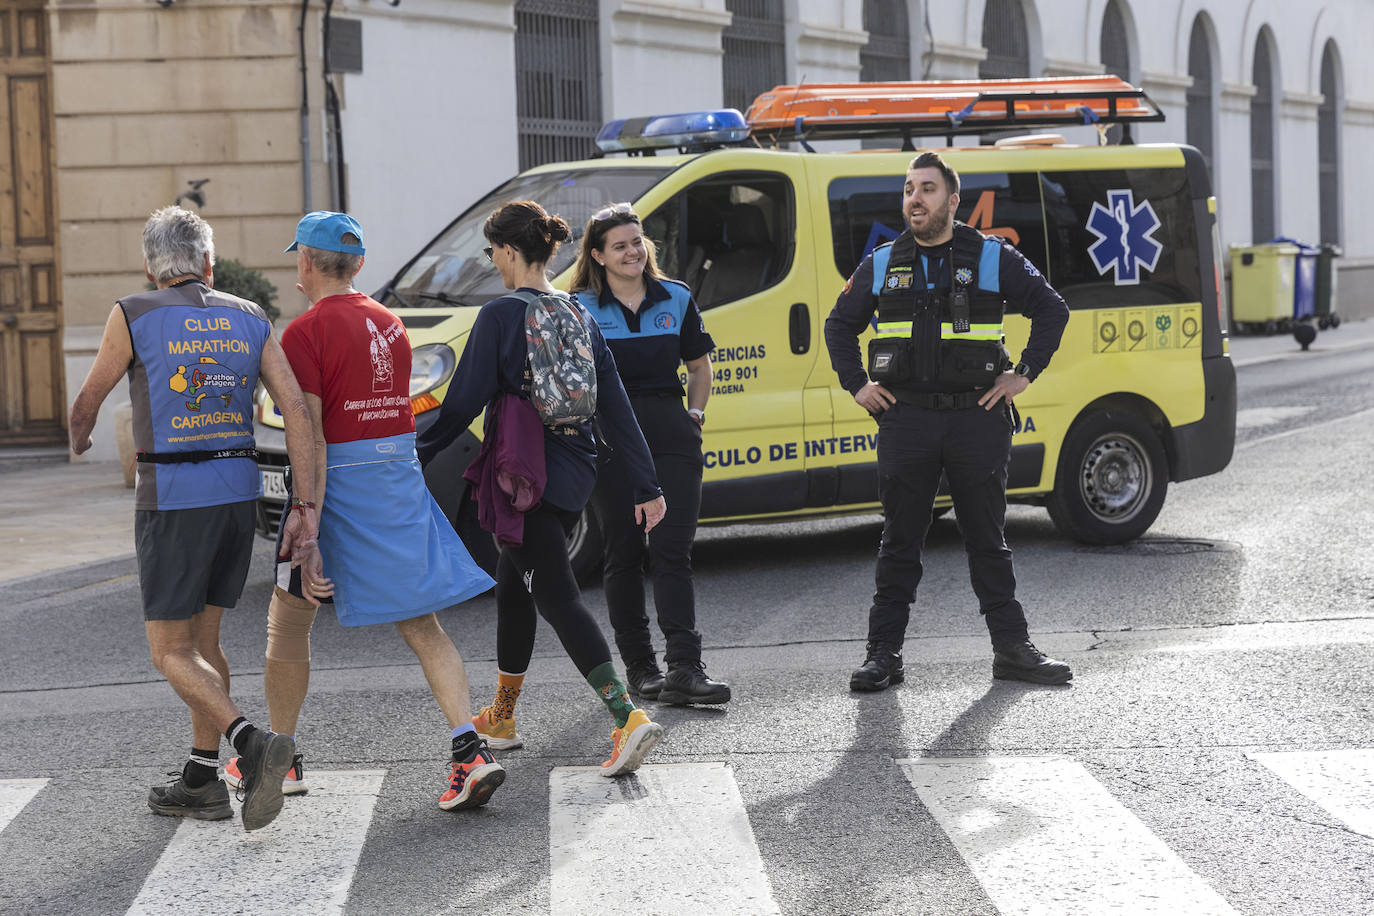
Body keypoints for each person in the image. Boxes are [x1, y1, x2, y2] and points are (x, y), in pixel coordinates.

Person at [219, 211, 504, 810]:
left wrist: (308, 518)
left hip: (337, 484)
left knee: (289, 620)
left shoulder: (303, 332)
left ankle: (285, 759)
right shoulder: (391, 324)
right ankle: (469, 751)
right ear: (358, 264)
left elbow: (312, 431)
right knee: (422, 624)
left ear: (305, 262)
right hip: (395, 475)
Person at [68, 206, 316, 831]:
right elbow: (292, 405)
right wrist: (306, 502)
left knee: (168, 651)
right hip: (236, 490)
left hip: (173, 496)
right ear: (208, 262)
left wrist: (78, 438)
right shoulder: (249, 315)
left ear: (152, 268)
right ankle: (201, 778)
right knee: (204, 643)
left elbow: (89, 400)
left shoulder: (134, 313)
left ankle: (250, 742)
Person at [417, 200, 668, 776]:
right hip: (573, 468)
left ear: (507, 251)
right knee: (514, 586)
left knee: (555, 595)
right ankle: (502, 716)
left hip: (520, 473)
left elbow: (462, 404)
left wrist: (416, 451)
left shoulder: (501, 315)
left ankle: (627, 716)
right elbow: (617, 406)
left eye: (491, 252)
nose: (493, 262)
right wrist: (646, 483)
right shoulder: (577, 311)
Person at [823, 151, 1074, 691]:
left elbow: (1053, 309)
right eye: (909, 189)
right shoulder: (883, 261)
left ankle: (1013, 650)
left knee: (987, 539)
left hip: (976, 418)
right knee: (899, 542)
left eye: (928, 189)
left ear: (952, 200)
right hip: (906, 418)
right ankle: (882, 657)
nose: (915, 198)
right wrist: (858, 386)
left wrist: (1023, 374)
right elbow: (838, 326)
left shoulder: (991, 256)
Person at [568, 203, 730, 705]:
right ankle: (641, 668)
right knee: (623, 553)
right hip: (610, 442)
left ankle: (685, 667)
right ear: (597, 255)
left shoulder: (675, 297)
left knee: (672, 550)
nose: (633, 251)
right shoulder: (578, 307)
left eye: (637, 242)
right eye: (619, 245)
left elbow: (700, 367)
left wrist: (696, 417)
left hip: (672, 437)